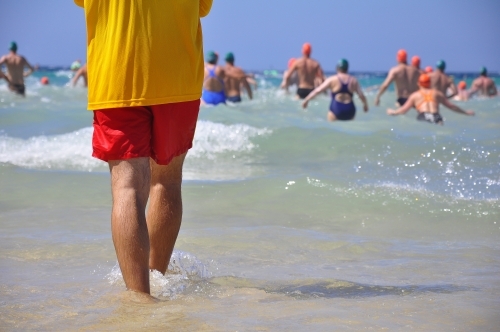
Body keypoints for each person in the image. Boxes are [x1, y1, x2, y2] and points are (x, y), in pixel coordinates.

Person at [74, 0, 213, 299]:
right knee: (167, 179)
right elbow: (202, 8)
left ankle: (140, 299)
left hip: (116, 72)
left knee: (127, 188)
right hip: (177, 74)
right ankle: (156, 278)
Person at [387, 74, 474, 125]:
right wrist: (466, 113)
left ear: (419, 83)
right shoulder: (437, 93)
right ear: (429, 83)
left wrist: (393, 112)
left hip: (424, 116)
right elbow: (451, 106)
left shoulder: (415, 95)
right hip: (437, 116)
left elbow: (403, 110)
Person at [302, 59, 368, 121]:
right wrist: (365, 105)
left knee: (330, 128)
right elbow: (361, 95)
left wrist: (306, 100)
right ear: (347, 68)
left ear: (337, 68)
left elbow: (318, 91)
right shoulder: (353, 80)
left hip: (337, 109)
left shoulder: (333, 79)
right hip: (350, 110)